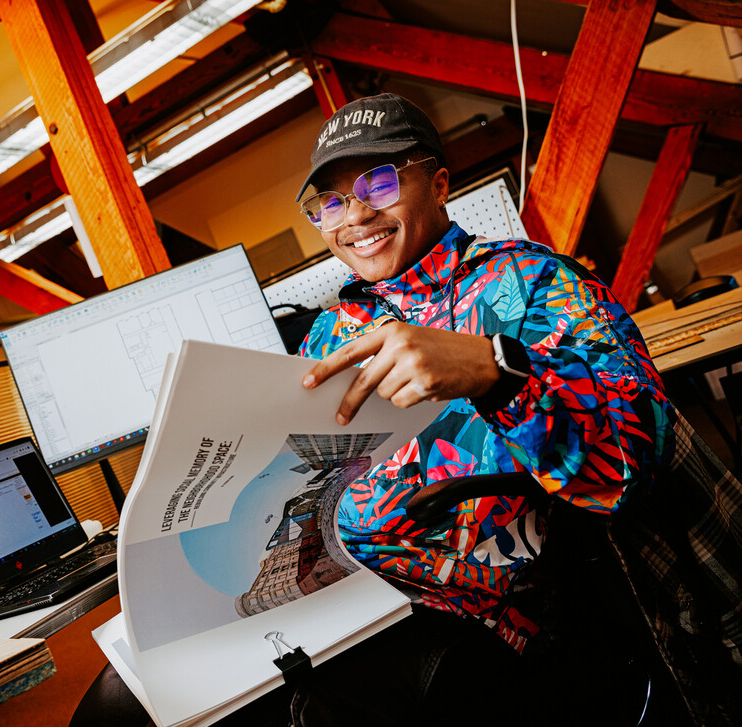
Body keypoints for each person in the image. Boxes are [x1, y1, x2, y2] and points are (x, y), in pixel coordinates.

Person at [71, 94, 675, 726]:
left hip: (476, 610)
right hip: (335, 594)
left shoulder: (532, 283)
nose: (355, 214)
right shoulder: (332, 332)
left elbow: (638, 461)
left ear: (439, 184)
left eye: (379, 182)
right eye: (330, 201)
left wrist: (497, 374)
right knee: (117, 703)